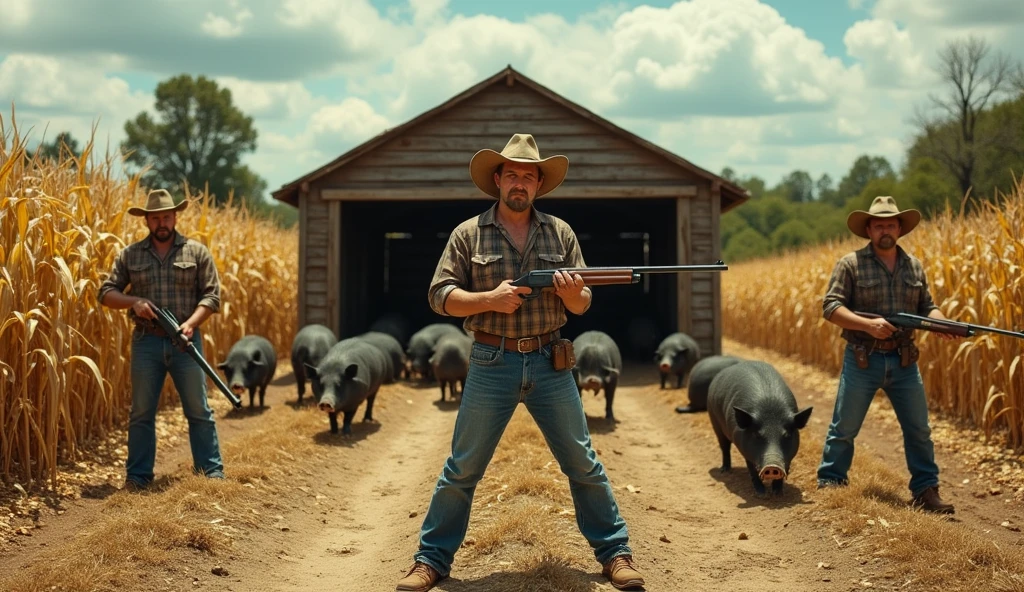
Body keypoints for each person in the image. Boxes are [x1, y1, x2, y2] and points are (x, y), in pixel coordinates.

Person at [395, 134, 645, 591]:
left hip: (552, 360)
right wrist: (488, 298)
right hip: (492, 361)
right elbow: (439, 296)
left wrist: (574, 294)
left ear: (538, 185)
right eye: (512, 174)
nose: (520, 183)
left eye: (528, 176)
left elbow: (584, 301)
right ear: (497, 179)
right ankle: (430, 560)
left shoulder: (561, 232)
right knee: (463, 468)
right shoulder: (467, 234)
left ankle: (615, 554)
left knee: (583, 463)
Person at [816, 195, 956, 514]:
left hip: (905, 360)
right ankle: (831, 482)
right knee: (845, 427)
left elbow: (927, 307)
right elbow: (831, 308)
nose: (885, 230)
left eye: (890, 224)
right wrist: (868, 325)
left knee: (918, 429)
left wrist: (943, 322)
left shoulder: (913, 265)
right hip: (863, 357)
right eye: (878, 225)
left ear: (900, 229)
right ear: (868, 229)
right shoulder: (850, 264)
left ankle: (925, 490)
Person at [98, 189, 226, 491]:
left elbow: (212, 296)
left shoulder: (196, 252)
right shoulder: (130, 254)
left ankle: (211, 474)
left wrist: (191, 325)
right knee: (141, 412)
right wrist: (134, 302)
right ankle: (138, 477)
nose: (161, 222)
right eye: (155, 218)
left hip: (187, 343)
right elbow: (105, 293)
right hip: (146, 341)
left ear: (175, 217)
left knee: (199, 409)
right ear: (147, 221)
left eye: (166, 216)